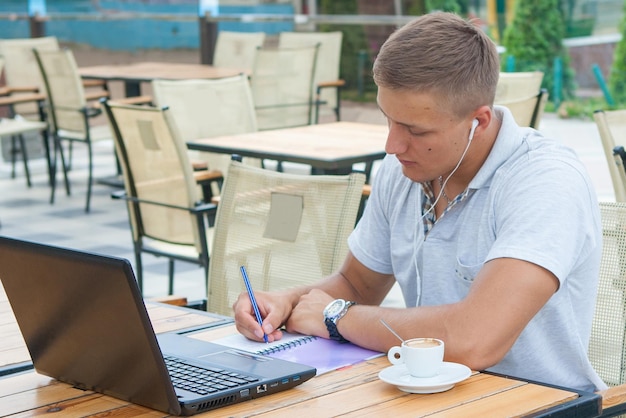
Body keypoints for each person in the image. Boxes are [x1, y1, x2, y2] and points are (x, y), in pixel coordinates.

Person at [233, 11, 606, 392]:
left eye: (415, 130)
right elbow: (357, 284)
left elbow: (476, 339)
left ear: (478, 121)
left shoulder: (545, 181)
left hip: (541, 402)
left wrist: (335, 316)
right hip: (425, 395)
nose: (392, 146)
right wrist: (285, 302)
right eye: (389, 119)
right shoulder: (403, 169)